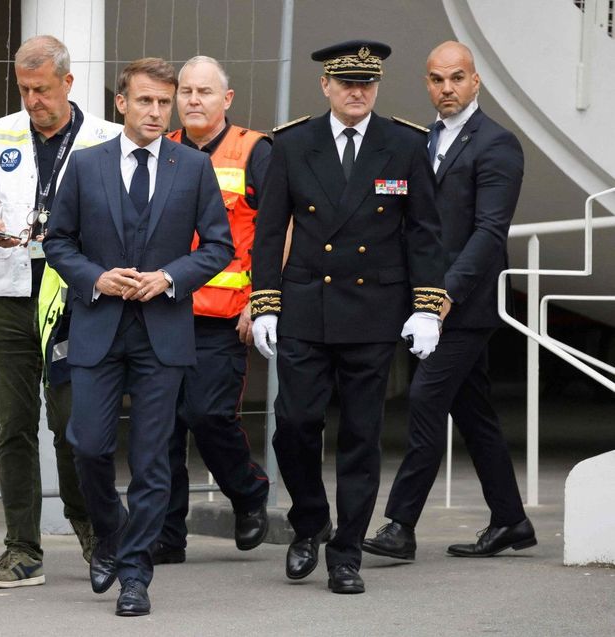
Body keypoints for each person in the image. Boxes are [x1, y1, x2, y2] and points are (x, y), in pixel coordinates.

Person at [250, 40, 447, 595]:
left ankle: (346, 555)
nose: (357, 92)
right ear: (326, 86)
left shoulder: (405, 143)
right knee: (293, 425)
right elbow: (269, 234)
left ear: (377, 87)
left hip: (372, 312)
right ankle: (310, 522)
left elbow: (426, 231)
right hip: (307, 307)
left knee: (361, 435)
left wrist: (427, 306)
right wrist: (264, 302)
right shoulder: (291, 144)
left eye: (367, 83)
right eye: (346, 83)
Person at [44, 57, 232, 616]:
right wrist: (95, 277)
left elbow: (219, 247)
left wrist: (171, 277)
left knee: (153, 462)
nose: (156, 111)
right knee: (89, 444)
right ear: (121, 103)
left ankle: (135, 574)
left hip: (163, 334)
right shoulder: (85, 165)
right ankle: (110, 536)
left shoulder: (193, 167)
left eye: (164, 102)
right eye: (145, 101)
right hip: (99, 328)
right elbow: (59, 242)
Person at [0, 34, 122, 589]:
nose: (33, 101)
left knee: (75, 424)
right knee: (13, 425)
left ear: (68, 84)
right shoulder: (2, 132)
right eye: (25, 89)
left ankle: (95, 533)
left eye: (43, 90)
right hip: (10, 293)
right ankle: (21, 548)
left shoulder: (107, 139)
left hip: (77, 299)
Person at [363, 41, 534, 562]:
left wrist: (444, 295)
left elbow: (488, 232)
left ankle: (400, 524)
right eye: (436, 80)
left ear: (476, 81)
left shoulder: (498, 145)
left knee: (425, 400)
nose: (447, 89)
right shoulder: (424, 141)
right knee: (474, 411)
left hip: (467, 304)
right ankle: (511, 520)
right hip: (424, 300)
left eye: (457, 78)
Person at [153, 55, 271, 565]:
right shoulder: (162, 150)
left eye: (204, 91)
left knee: (207, 414)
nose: (193, 100)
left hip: (226, 313)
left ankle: (247, 492)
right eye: (185, 91)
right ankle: (167, 535)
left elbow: (277, 230)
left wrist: (263, 299)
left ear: (227, 100)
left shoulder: (254, 150)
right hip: (164, 310)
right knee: (161, 427)